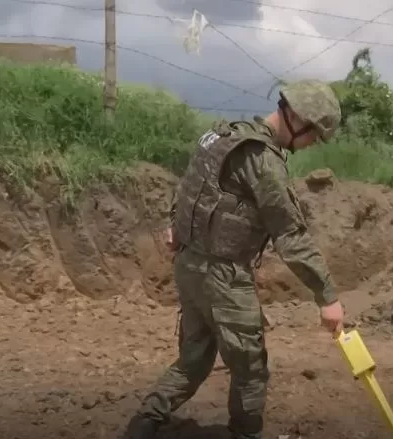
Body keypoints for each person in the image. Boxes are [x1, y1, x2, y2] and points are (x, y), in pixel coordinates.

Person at [121, 79, 345, 439]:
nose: (312, 144)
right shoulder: (263, 160)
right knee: (250, 370)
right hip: (223, 278)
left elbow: (192, 183)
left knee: (193, 360)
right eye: (314, 135)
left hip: (189, 264)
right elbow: (291, 236)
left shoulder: (224, 134)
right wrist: (327, 297)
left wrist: (178, 228)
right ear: (298, 118)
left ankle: (145, 422)